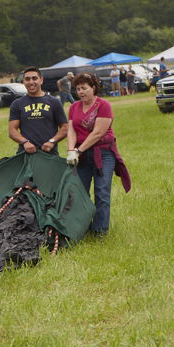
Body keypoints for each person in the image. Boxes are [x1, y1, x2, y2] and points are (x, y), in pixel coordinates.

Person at [66, 73, 130, 236]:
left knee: (102, 191)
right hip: (81, 155)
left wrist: (79, 151)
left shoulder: (104, 105)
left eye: (84, 88)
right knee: (80, 192)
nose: (80, 92)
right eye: (78, 89)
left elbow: (98, 133)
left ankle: (100, 230)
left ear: (93, 88)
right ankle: (83, 227)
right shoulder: (73, 107)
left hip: (103, 153)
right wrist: (71, 150)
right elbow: (71, 130)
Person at [9, 66, 68, 154]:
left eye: (34, 78)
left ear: (41, 80)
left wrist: (52, 141)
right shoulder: (17, 104)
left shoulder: (54, 102)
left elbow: (65, 127)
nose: (31, 82)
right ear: (23, 82)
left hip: (49, 154)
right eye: (27, 79)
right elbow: (12, 130)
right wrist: (25, 142)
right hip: (26, 155)